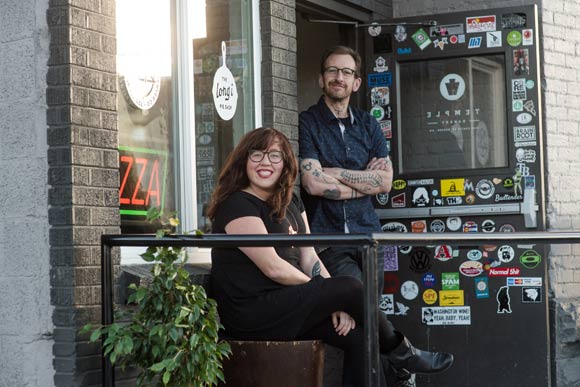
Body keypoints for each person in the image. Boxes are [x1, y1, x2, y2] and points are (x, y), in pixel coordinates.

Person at [207, 127, 453, 387]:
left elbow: (310, 257)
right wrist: (328, 293)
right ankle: (400, 352)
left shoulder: (291, 203)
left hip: (288, 305)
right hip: (252, 311)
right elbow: (273, 268)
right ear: (244, 160)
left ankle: (398, 356)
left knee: (358, 338)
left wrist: (334, 300)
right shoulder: (237, 204)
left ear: (286, 164)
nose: (265, 163)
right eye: (257, 155)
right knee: (349, 286)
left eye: (274, 156)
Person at [299, 45, 392, 293]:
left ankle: (389, 335)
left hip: (369, 236)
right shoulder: (307, 122)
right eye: (333, 70)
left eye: (347, 72)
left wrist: (334, 172)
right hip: (328, 240)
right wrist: (365, 184)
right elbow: (313, 183)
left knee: (372, 310)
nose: (339, 77)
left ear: (357, 82)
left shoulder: (369, 124)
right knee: (356, 298)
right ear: (321, 79)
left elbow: (384, 182)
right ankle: (396, 335)